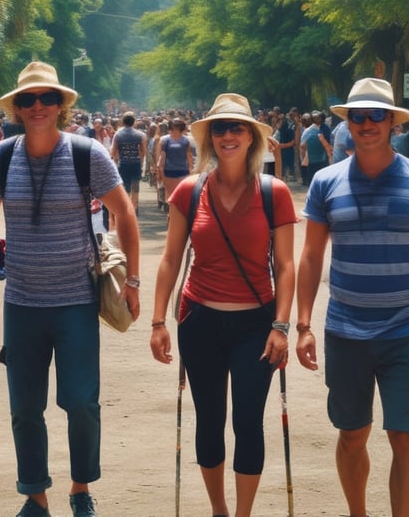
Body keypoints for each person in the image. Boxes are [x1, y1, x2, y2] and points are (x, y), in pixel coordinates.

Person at [0, 61, 140, 517]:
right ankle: (35, 496)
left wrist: (134, 280)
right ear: (18, 109)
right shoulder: (3, 156)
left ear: (61, 106)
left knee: (81, 401)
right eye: (28, 99)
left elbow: (125, 213)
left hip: (76, 301)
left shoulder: (87, 154)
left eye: (47, 98)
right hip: (22, 302)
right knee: (25, 406)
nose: (38, 106)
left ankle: (80, 489)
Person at [296, 77, 409, 517]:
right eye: (357, 116)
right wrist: (302, 325)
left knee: (404, 436)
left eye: (376, 115)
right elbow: (311, 257)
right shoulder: (325, 182)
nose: (366, 123)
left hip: (406, 329)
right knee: (352, 433)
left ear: (392, 121)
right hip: (345, 329)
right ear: (347, 122)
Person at [150, 93, 297, 517]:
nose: (228, 135)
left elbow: (285, 267)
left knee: (248, 423)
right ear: (210, 138)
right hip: (200, 321)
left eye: (237, 128)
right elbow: (171, 259)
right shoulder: (188, 190)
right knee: (209, 422)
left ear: (252, 137)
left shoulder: (275, 193)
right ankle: (218, 510)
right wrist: (159, 321)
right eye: (220, 128)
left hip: (258, 325)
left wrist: (282, 326)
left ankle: (243, 514)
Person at [110, 111, 146, 214]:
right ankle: (135, 208)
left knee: (125, 187)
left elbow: (113, 152)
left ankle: (127, 209)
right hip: (135, 164)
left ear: (123, 122)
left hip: (123, 164)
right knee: (135, 186)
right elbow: (144, 151)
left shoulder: (118, 135)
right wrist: (141, 161)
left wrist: (116, 160)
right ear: (134, 122)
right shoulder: (140, 135)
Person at [156, 118, 193, 206]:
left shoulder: (185, 140)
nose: (175, 131)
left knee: (181, 194)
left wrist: (191, 169)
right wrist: (160, 170)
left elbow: (188, 155)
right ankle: (170, 213)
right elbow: (162, 156)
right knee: (170, 194)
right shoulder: (165, 140)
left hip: (183, 170)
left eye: (178, 128)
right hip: (169, 170)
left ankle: (176, 213)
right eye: (173, 128)